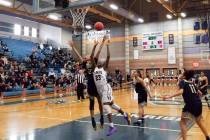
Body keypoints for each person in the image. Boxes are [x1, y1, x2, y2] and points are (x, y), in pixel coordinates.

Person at [94, 40, 131, 136]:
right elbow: (94, 57)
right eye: (99, 61)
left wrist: (107, 46)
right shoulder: (95, 68)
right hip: (101, 91)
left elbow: (108, 56)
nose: (100, 61)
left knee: (105, 106)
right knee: (112, 104)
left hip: (105, 88)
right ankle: (125, 114)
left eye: (101, 61)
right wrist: (96, 46)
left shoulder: (104, 69)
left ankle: (112, 126)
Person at [69, 37, 106, 130]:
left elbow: (96, 52)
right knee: (96, 103)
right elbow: (80, 56)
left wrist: (101, 43)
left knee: (95, 103)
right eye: (86, 56)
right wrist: (73, 47)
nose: (86, 56)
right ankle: (97, 119)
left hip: (93, 85)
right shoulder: (89, 64)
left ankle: (97, 119)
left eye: (87, 56)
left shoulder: (92, 62)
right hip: (94, 86)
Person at [162, 70, 210, 140]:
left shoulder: (183, 81)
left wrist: (168, 96)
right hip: (198, 103)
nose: (180, 74)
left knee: (182, 122)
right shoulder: (192, 83)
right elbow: (200, 93)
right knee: (199, 121)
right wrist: (196, 99)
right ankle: (207, 137)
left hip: (191, 104)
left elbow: (181, 91)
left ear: (184, 76)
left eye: (182, 73)